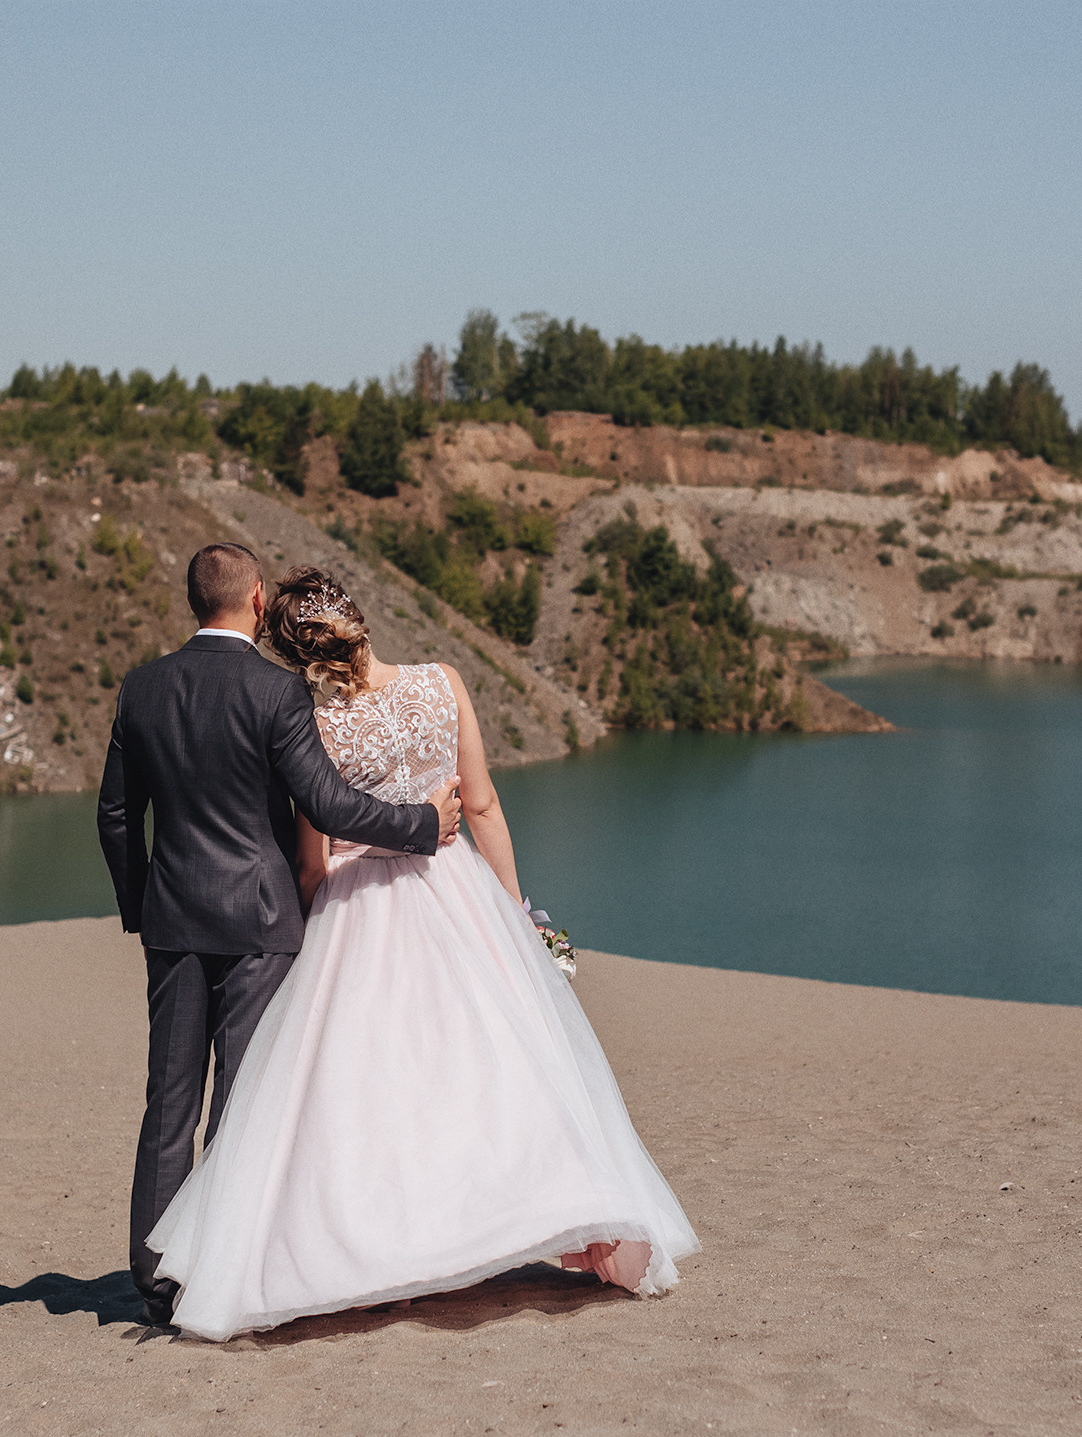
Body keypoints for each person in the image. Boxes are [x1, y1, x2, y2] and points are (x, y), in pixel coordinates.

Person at [144, 566, 698, 1341]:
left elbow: (312, 856)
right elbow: (481, 804)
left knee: (373, 1086)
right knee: (495, 1068)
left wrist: (304, 931)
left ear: (295, 651)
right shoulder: (444, 682)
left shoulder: (309, 722)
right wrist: (513, 915)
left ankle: (386, 1258)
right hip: (456, 893)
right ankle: (554, 1218)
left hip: (358, 905)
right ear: (359, 621)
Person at [97, 544, 464, 1332]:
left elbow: (118, 816)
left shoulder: (142, 688)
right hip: (262, 921)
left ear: (195, 600)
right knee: (241, 1095)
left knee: (169, 1100)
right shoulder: (276, 691)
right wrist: (424, 826)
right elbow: (329, 805)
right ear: (257, 600)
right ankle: (221, 1262)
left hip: (175, 922)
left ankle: (156, 1281)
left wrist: (142, 905)